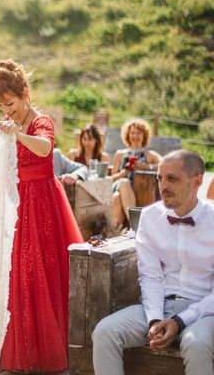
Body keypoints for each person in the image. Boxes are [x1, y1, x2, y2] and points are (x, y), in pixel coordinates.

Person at [0, 60, 83, 373]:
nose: (7, 110)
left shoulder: (40, 120)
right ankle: (24, 349)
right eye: (1, 105)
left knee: (44, 269)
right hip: (18, 203)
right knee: (19, 272)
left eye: (11, 103)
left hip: (44, 202)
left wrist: (16, 134)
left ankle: (51, 349)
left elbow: (44, 149)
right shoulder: (6, 123)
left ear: (25, 95)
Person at [92, 150, 214, 375]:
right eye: (160, 177)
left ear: (197, 181)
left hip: (205, 311)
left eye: (172, 179)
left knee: (196, 344)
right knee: (105, 331)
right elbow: (150, 276)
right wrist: (155, 320)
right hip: (158, 305)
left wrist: (179, 321)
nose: (163, 185)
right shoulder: (149, 217)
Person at [110, 118, 161, 231]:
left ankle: (115, 232)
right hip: (119, 185)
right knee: (125, 183)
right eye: (132, 132)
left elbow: (165, 164)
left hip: (138, 190)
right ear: (128, 135)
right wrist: (124, 172)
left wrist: (146, 166)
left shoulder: (149, 155)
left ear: (144, 135)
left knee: (116, 198)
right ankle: (135, 226)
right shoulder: (120, 154)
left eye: (139, 133)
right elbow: (111, 179)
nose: (135, 136)